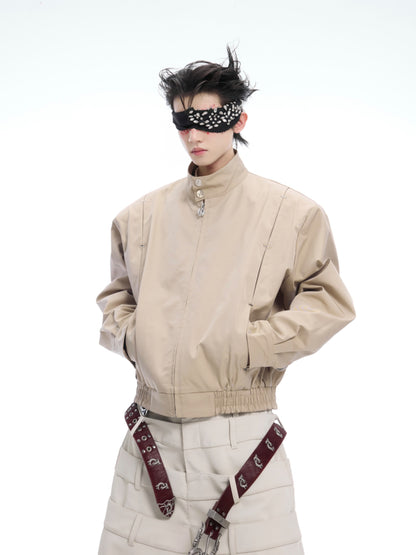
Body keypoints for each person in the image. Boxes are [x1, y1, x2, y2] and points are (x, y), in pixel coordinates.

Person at [96, 46, 355, 555]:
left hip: (242, 439)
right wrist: (135, 339)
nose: (193, 134)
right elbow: (116, 299)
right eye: (181, 121)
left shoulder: (291, 213)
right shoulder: (138, 217)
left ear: (238, 120)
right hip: (151, 443)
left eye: (207, 119)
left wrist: (248, 346)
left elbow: (328, 302)